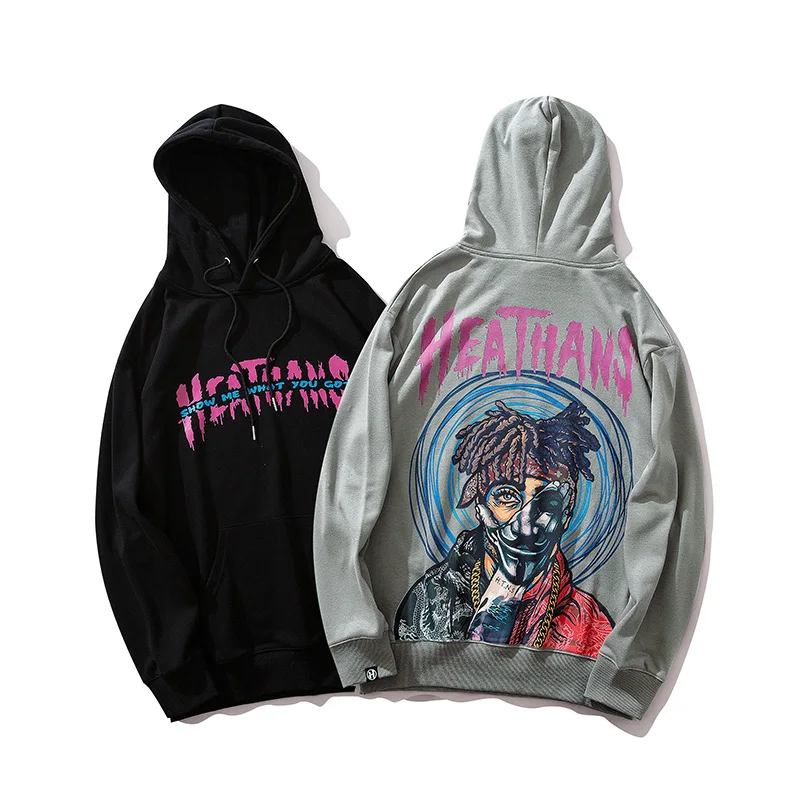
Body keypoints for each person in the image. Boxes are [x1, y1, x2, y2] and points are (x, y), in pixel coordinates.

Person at [395, 400, 614, 657]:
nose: (525, 527)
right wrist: (508, 582)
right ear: (479, 505)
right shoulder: (429, 601)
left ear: (565, 515)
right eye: (507, 497)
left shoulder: (590, 625)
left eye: (547, 504)